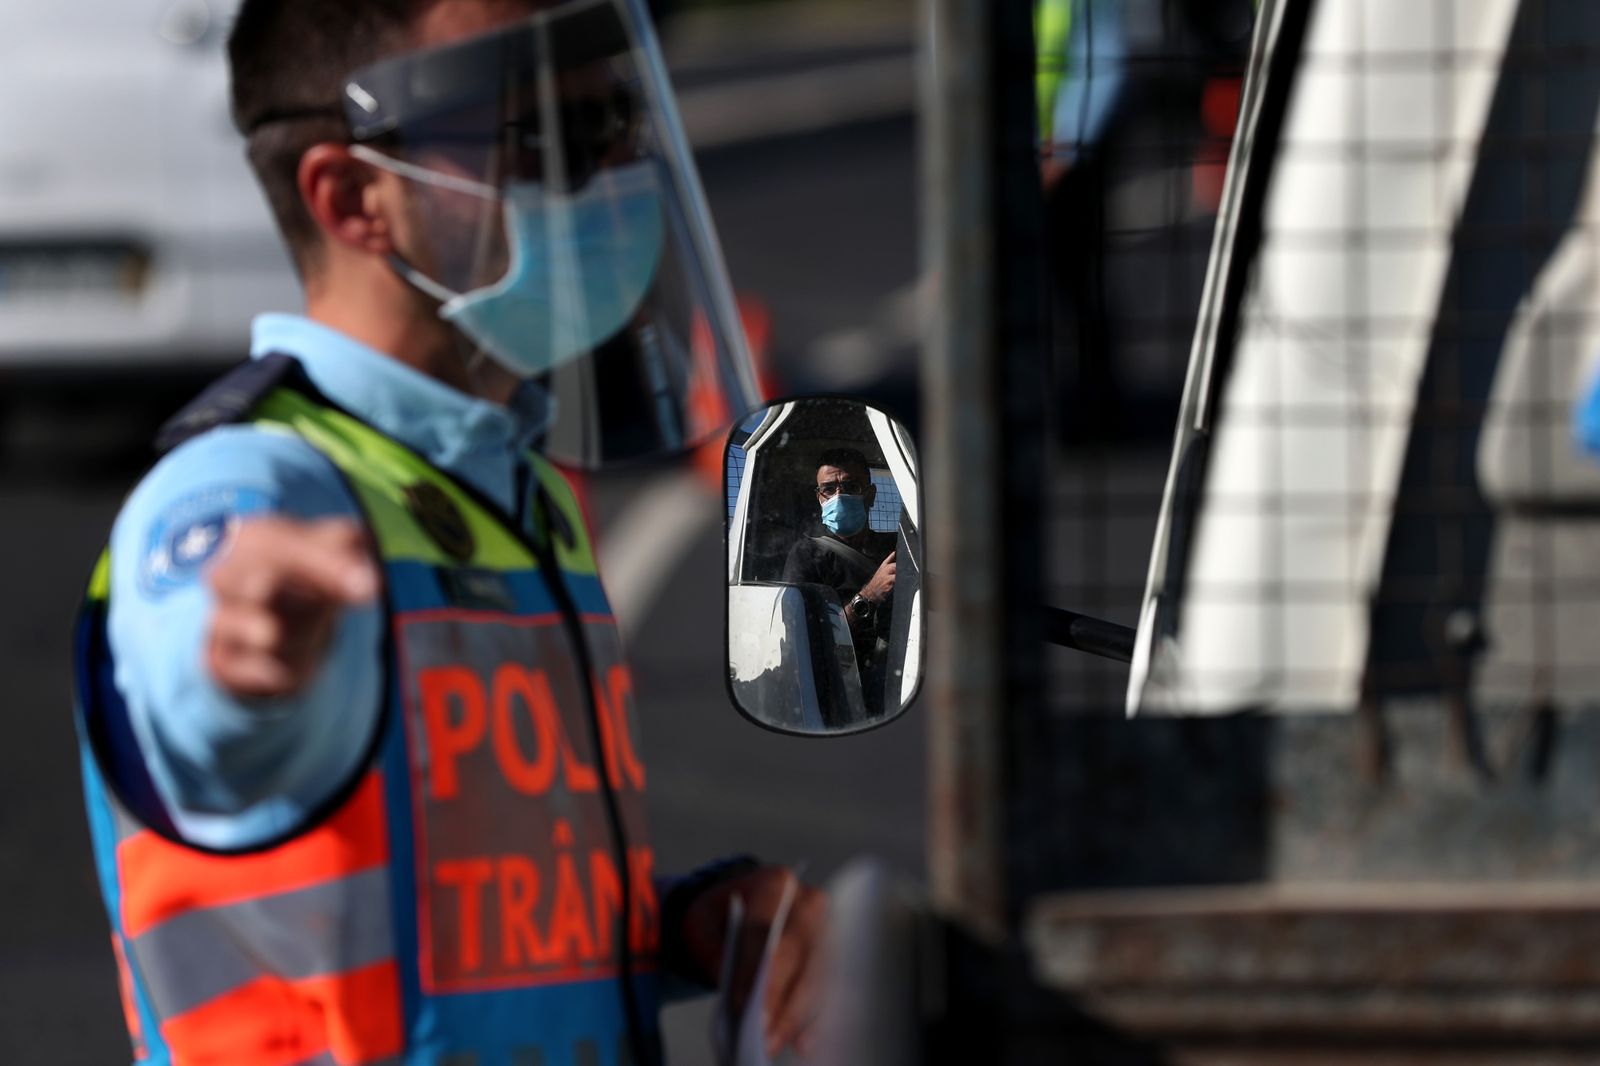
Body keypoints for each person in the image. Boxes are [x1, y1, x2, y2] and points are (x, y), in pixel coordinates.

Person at [71, 1, 819, 1063]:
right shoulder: (257, 485)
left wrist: (684, 923)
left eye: (613, 121)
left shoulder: (515, 485)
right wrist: (238, 662)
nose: (608, 171)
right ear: (353, 197)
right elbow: (205, 705)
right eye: (542, 141)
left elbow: (461, 917)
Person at [781, 448, 899, 717]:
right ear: (819, 497)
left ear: (870, 494)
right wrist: (868, 597)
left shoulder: (900, 545)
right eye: (828, 489)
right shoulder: (805, 555)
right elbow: (807, 640)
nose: (838, 496)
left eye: (849, 486)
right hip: (850, 685)